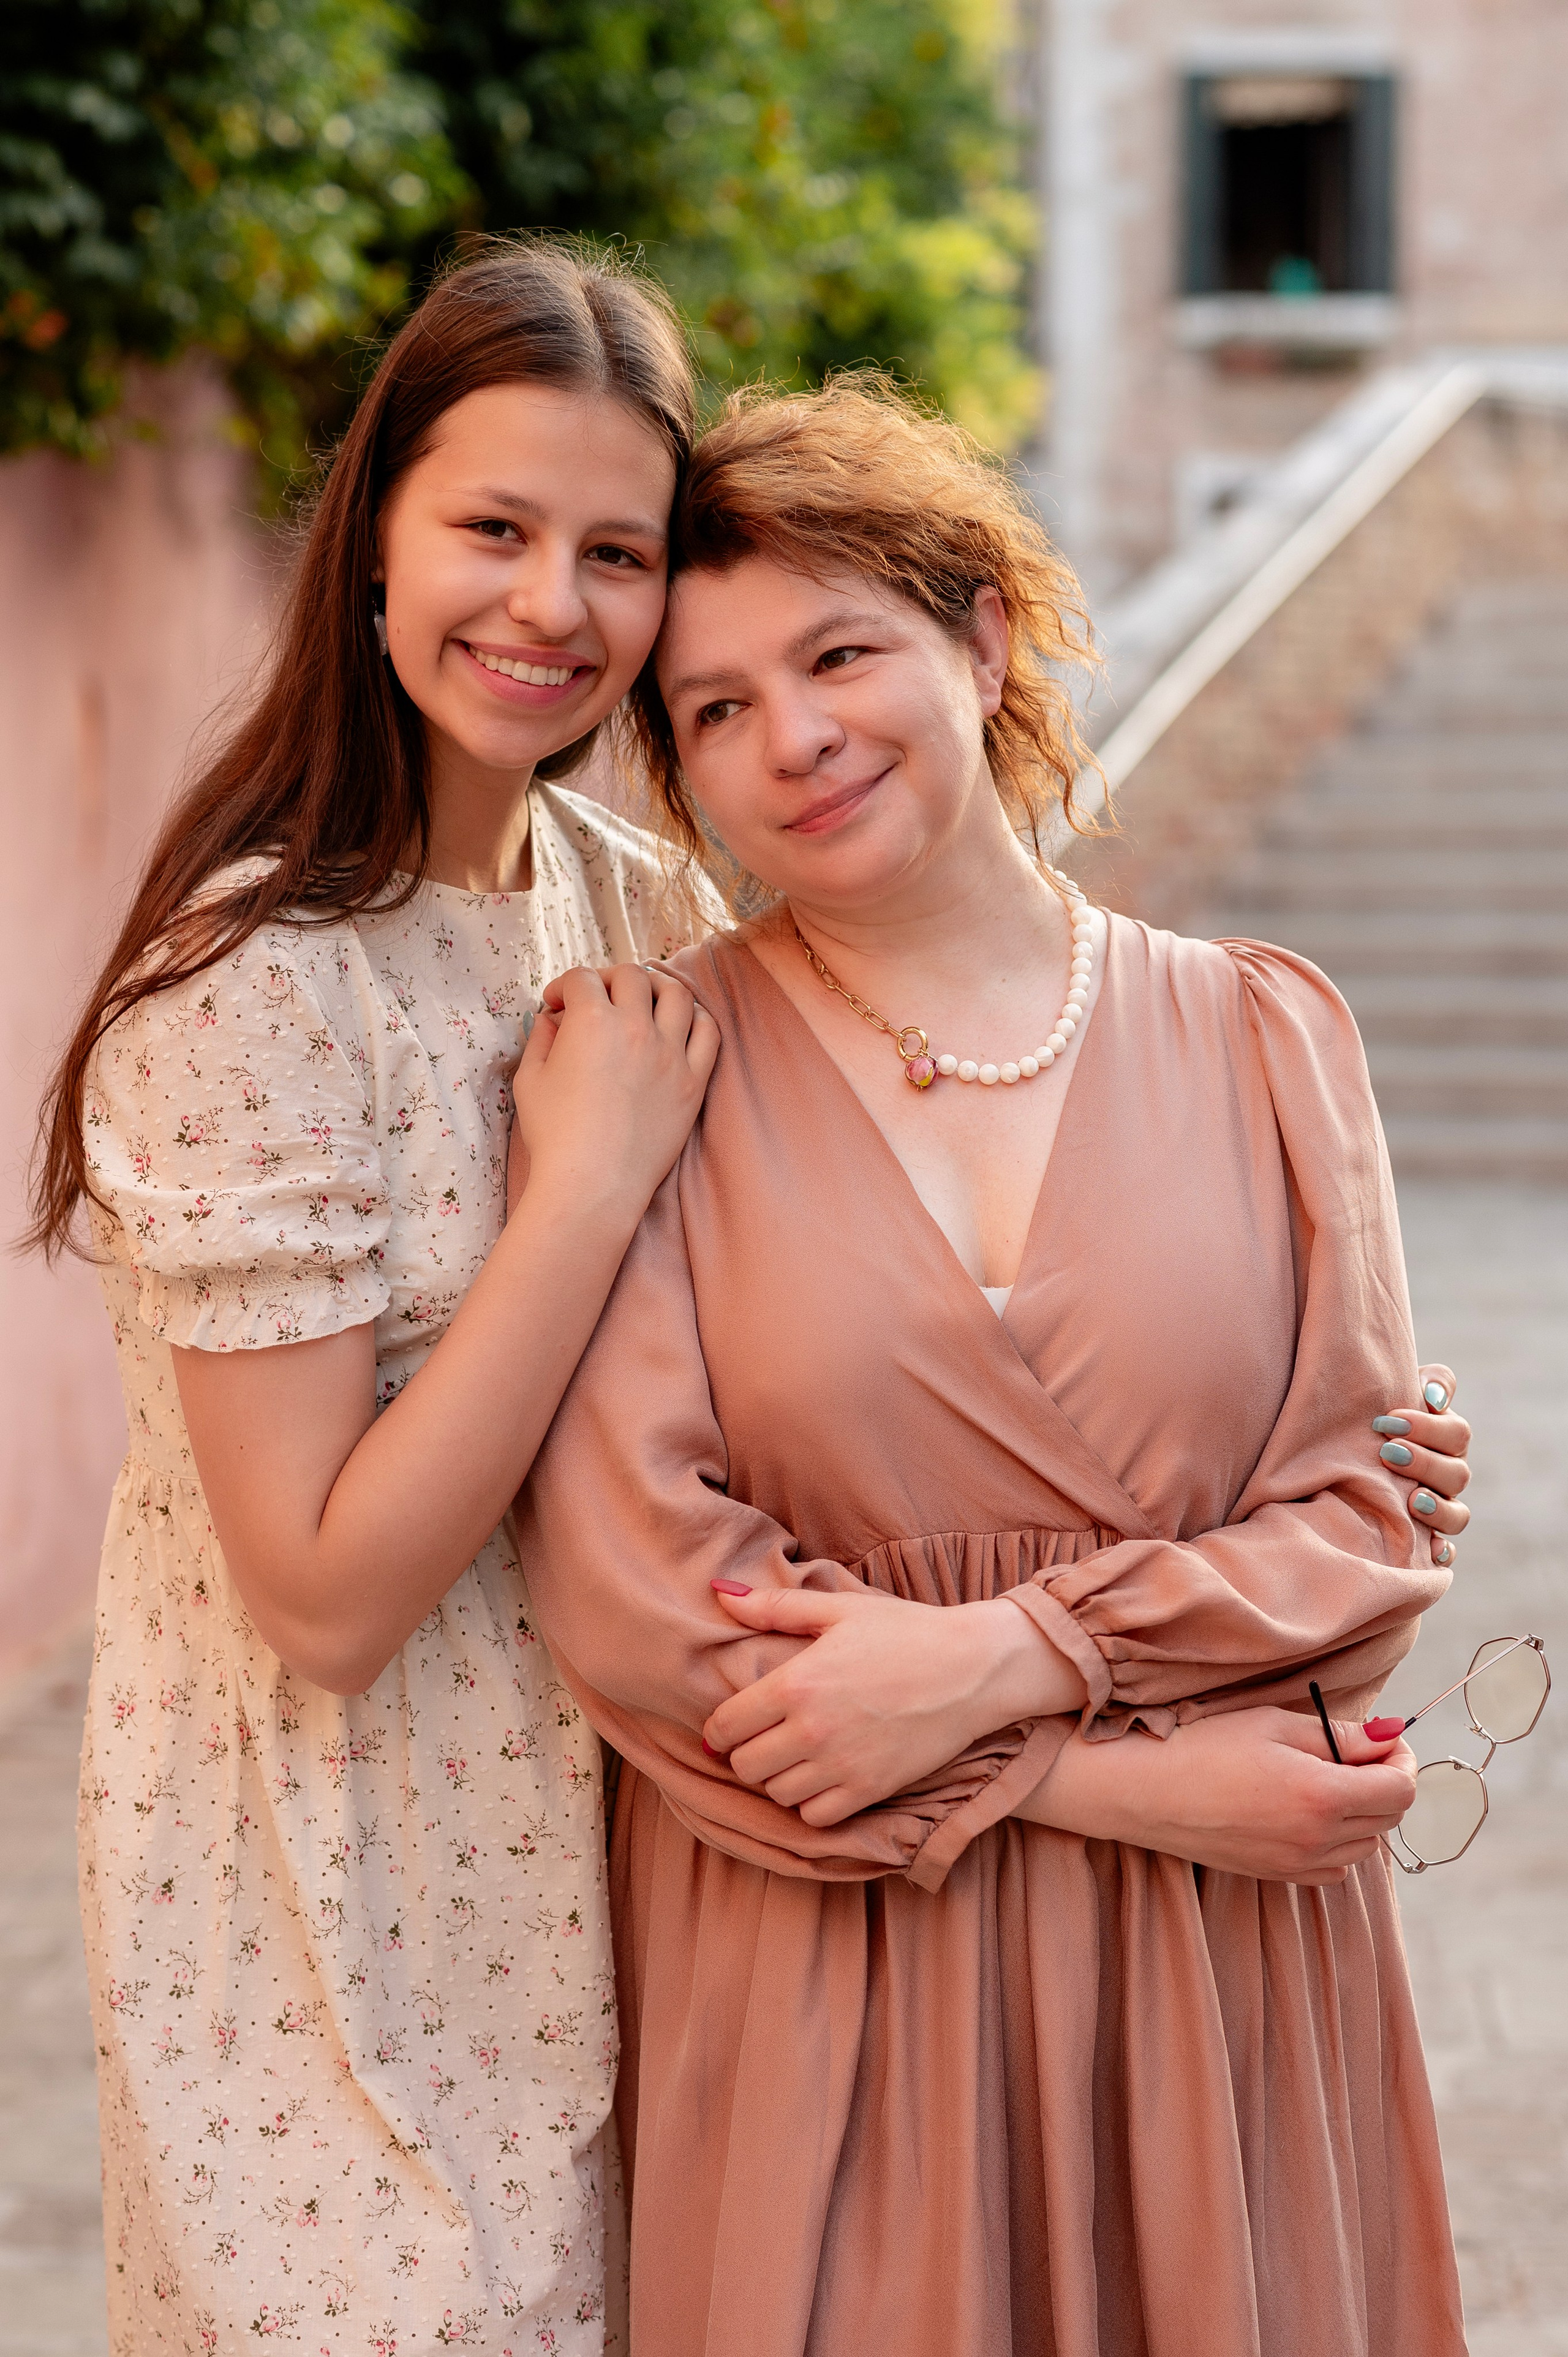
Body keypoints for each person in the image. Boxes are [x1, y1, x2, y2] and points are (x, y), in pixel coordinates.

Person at [514, 380, 1473, 2357]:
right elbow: (644, 1614)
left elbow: (1369, 1533)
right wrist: (1120, 1780)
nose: (794, 738)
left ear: (982, 636)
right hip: (831, 1962)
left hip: (1220, 1977)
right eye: (713, 709)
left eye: (837, 654)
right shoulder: (643, 1069)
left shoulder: (1269, 1034)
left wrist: (1002, 1663)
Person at [29, 242, 718, 2354]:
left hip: (620, 1867)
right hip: (320, 1906)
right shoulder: (255, 981)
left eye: (616, 553)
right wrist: (577, 1194)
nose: (551, 604)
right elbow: (321, 1599)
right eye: (493, 528)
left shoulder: (637, 906)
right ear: (375, 542)